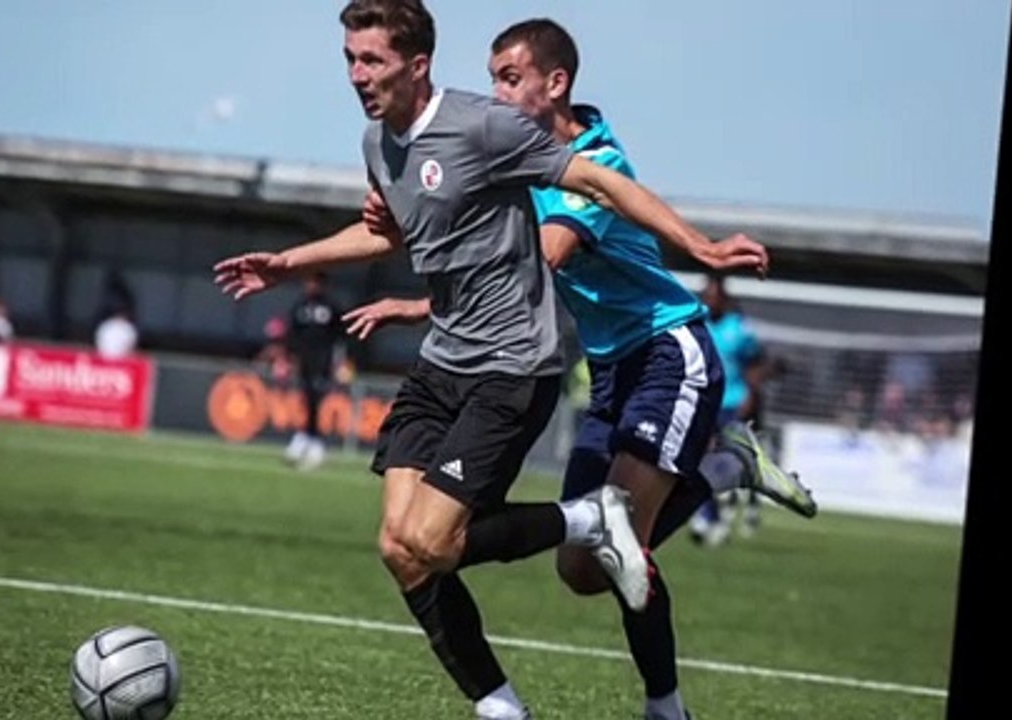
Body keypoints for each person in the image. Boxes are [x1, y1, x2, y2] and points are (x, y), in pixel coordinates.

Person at [213, 2, 769, 717]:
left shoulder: (485, 126)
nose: (356, 74)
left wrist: (700, 246)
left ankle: (625, 539)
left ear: (417, 65)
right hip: (448, 362)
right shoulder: (377, 142)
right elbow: (403, 232)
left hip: (519, 364)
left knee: (437, 542)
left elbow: (594, 186)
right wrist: (290, 263)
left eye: (371, 60)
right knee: (400, 546)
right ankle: (501, 704)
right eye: (350, 59)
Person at [344, 18, 815, 719]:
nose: (495, 94)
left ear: (554, 83)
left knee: (625, 539)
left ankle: (666, 705)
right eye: (493, 77)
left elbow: (537, 256)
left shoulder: (597, 163)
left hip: (667, 353)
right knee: (583, 569)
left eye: (510, 78)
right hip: (607, 370)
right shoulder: (515, 160)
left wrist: (416, 302)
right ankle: (724, 471)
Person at [688, 274, 805, 546]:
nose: (709, 300)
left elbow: (757, 364)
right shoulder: (698, 326)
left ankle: (727, 514)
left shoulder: (739, 329)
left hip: (733, 403)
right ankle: (709, 516)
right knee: (699, 461)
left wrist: (752, 395)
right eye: (706, 295)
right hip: (704, 402)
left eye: (714, 295)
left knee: (725, 464)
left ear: (724, 298)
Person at [283, 272, 344, 470]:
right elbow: (291, 334)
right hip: (304, 363)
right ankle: (306, 438)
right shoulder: (300, 307)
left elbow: (341, 337)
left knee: (316, 401)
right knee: (307, 399)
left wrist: (339, 363)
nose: (310, 286)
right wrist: (290, 358)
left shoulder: (331, 308)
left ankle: (312, 441)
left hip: (323, 363)